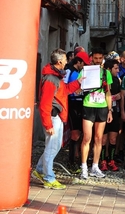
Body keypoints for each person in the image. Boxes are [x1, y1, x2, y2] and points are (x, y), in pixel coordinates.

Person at [31, 48, 82, 189]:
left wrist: (78, 82)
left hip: (55, 116)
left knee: (52, 147)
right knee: (52, 147)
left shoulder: (54, 76)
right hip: (53, 117)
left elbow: (63, 90)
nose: (67, 61)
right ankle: (48, 178)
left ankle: (41, 170)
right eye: (65, 59)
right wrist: (48, 125)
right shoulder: (52, 78)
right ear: (59, 62)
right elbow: (45, 105)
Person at [79, 47, 113, 179]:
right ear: (91, 58)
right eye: (95, 58)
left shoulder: (106, 73)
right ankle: (83, 167)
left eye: (100, 58)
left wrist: (109, 110)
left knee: (99, 138)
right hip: (88, 105)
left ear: (103, 58)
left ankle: (95, 166)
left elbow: (108, 92)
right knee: (87, 138)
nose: (98, 61)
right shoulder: (85, 71)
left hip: (102, 106)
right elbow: (78, 86)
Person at [64, 51, 91, 171]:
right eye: (83, 63)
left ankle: (77, 158)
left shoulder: (79, 72)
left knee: (79, 133)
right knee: (74, 134)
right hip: (72, 104)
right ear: (78, 62)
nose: (85, 66)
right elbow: (64, 89)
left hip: (80, 103)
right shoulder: (69, 71)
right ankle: (71, 162)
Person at [99, 59, 121, 172]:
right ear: (108, 69)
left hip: (115, 111)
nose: (118, 70)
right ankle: (102, 160)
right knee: (103, 138)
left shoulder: (117, 79)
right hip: (103, 111)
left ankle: (111, 160)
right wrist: (113, 97)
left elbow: (120, 95)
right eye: (116, 68)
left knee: (113, 138)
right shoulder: (102, 79)